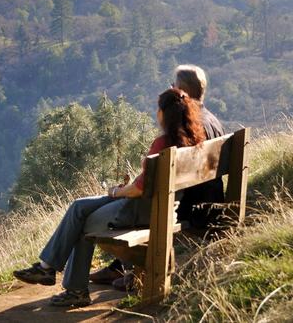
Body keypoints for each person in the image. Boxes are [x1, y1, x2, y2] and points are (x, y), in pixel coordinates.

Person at [13, 87, 206, 307]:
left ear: (164, 113)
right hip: (160, 207)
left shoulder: (163, 144)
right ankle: (47, 269)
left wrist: (116, 192)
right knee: (78, 206)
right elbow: (146, 185)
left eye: (157, 109)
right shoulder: (191, 141)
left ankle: (73, 289)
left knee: (81, 222)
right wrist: (126, 189)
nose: (156, 113)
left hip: (137, 210)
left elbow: (138, 190)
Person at [90, 64, 225, 289]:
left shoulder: (187, 124)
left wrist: (127, 189)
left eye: (172, 86)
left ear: (181, 91)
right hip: (211, 199)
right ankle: (121, 267)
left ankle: (130, 269)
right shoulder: (212, 120)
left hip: (188, 205)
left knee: (138, 204)